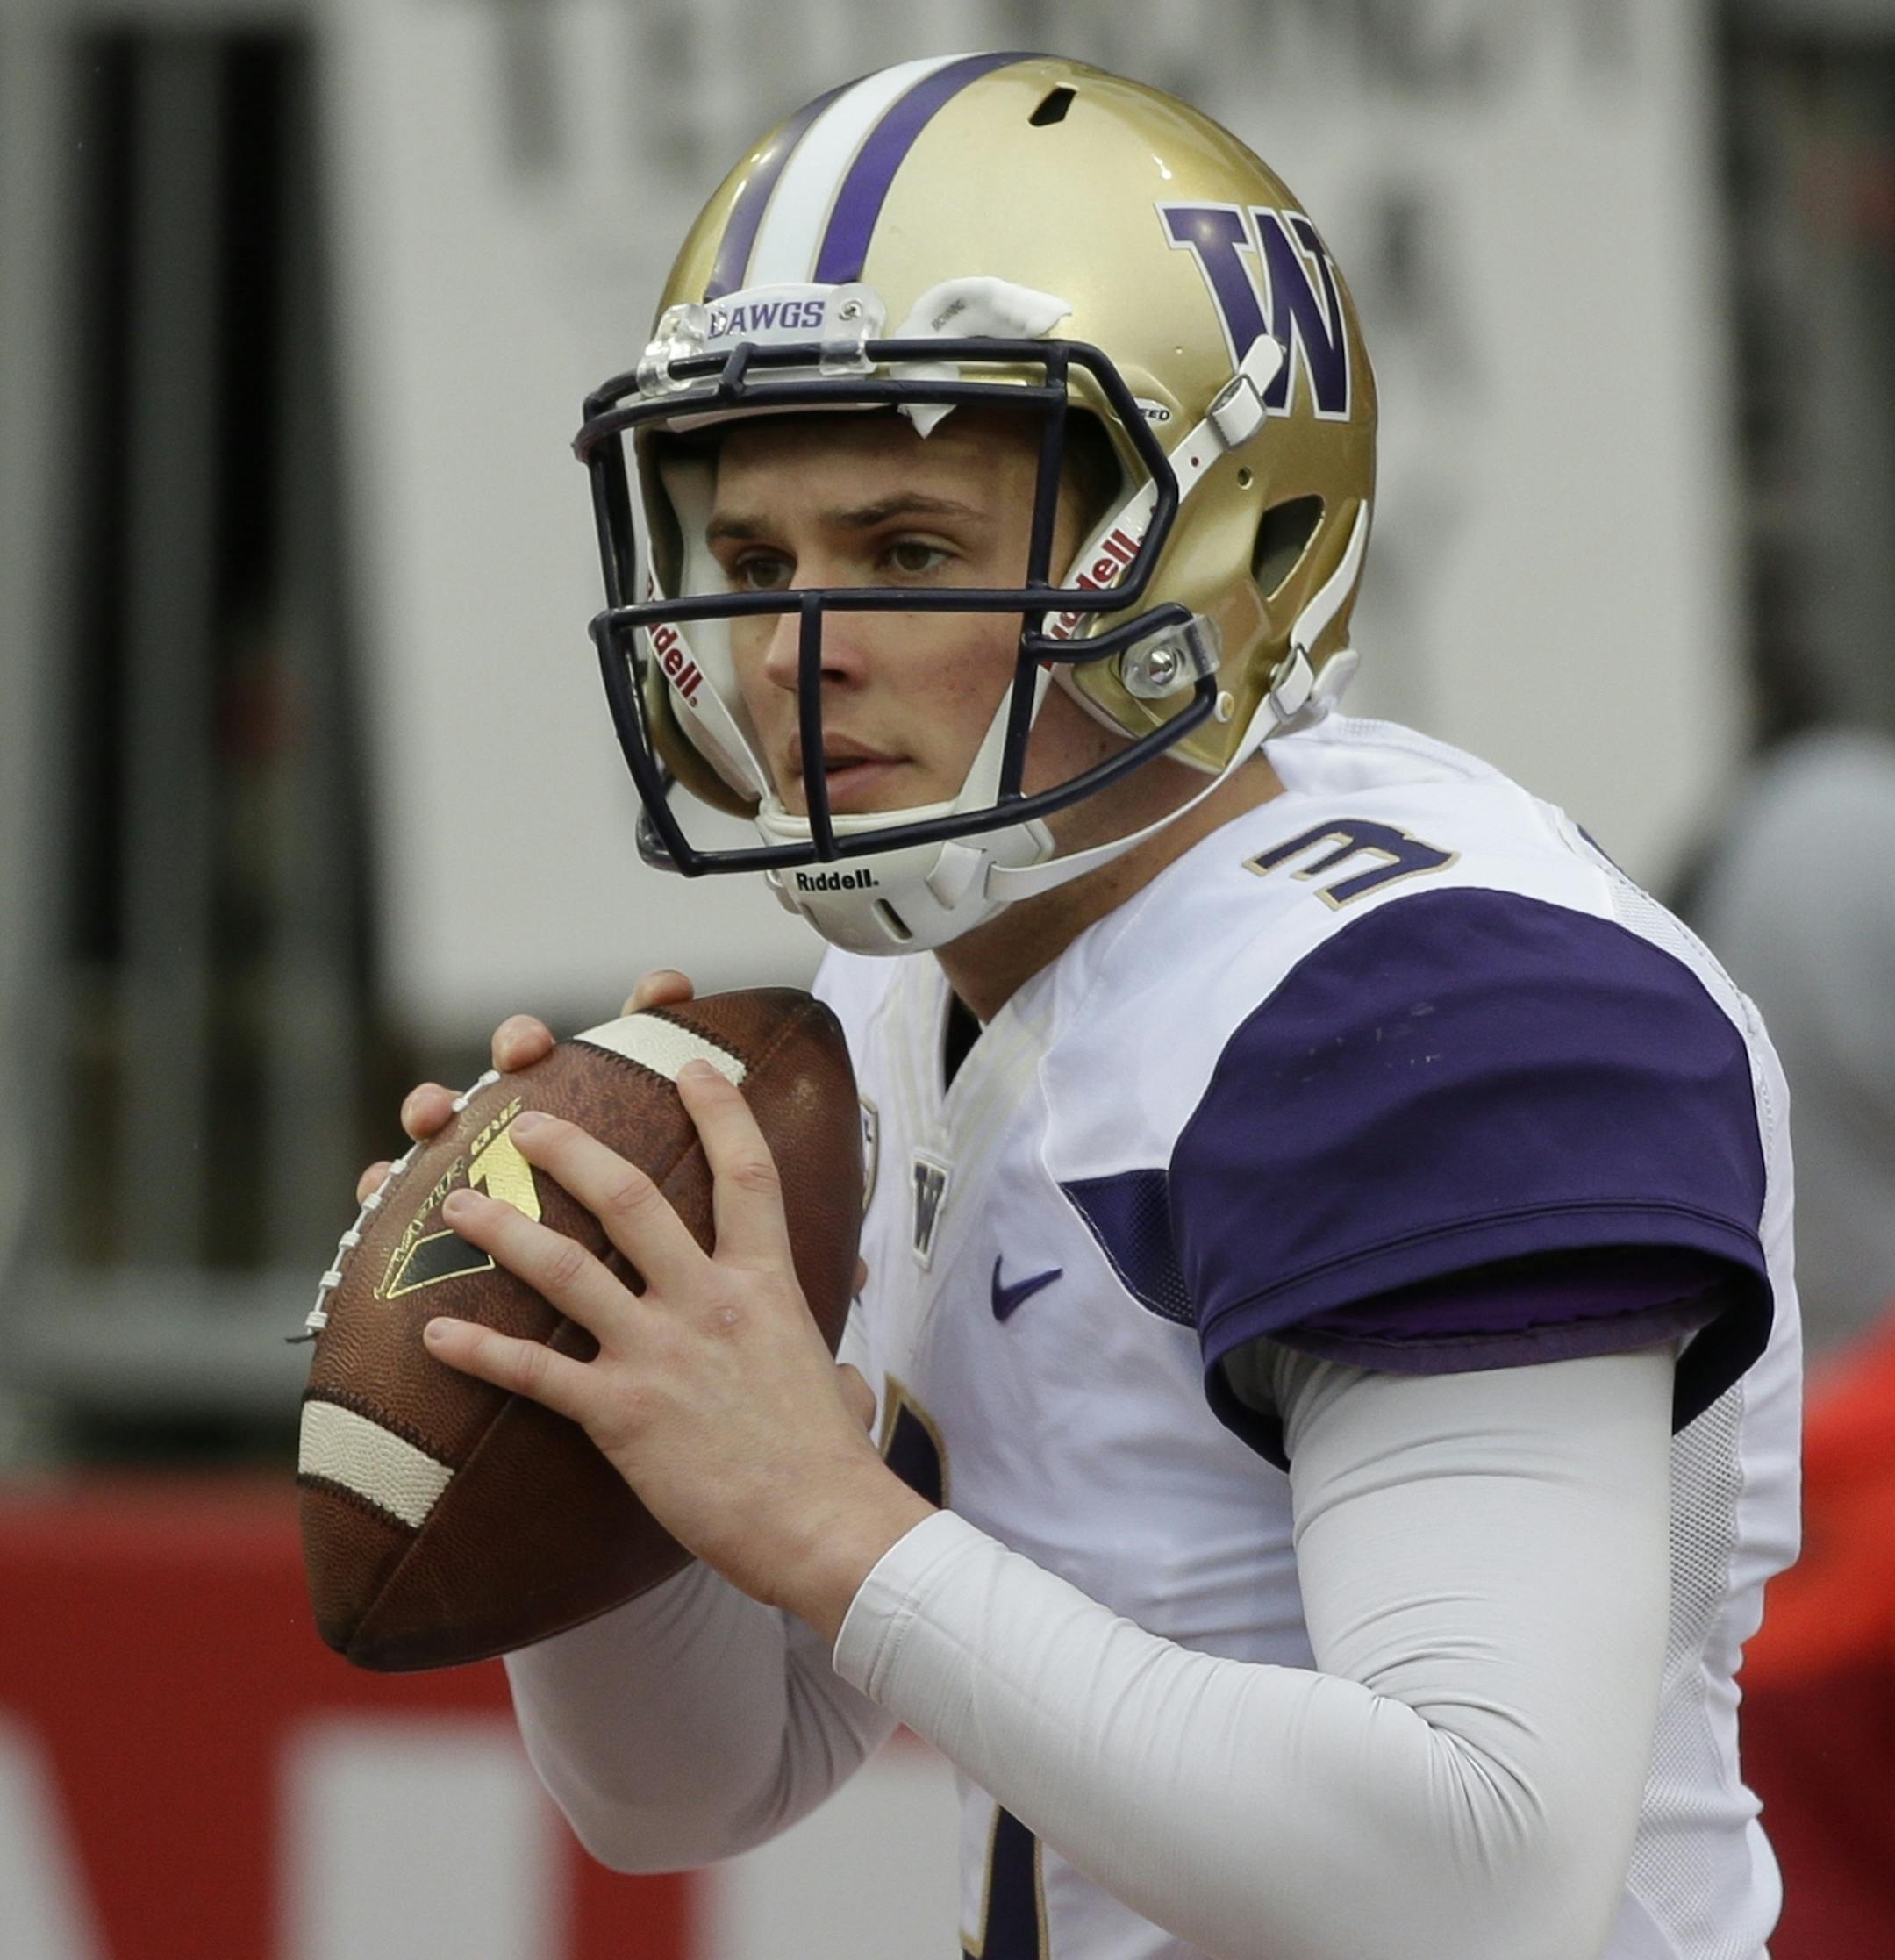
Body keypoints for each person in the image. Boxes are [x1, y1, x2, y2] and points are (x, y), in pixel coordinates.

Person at [362, 54, 1800, 1960]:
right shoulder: (904, 984)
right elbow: (690, 1790)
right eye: (757, 560)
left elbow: (1478, 1878)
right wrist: (594, 1395)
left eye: (908, 551)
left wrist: (829, 1516)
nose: (797, 647)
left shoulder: (1443, 1004)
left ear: (1217, 547)